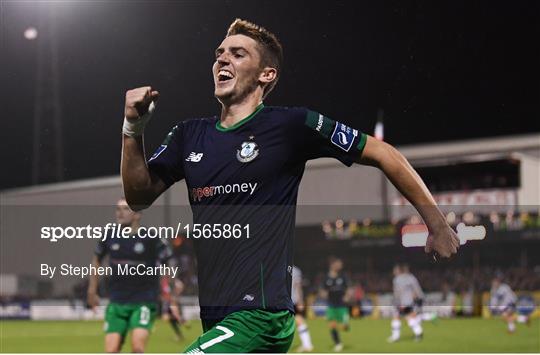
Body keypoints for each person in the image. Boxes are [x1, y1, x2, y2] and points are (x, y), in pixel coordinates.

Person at [120, 18, 459, 353]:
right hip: (216, 314)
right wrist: (133, 128)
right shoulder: (187, 135)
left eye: (238, 54)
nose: (222, 59)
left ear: (267, 74)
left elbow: (384, 153)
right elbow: (137, 196)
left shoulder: (291, 125)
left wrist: (437, 224)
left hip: (261, 317)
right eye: (220, 53)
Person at [87, 198, 175, 353]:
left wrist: (169, 292)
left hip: (144, 302)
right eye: (118, 209)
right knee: (111, 350)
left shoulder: (151, 237)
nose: (120, 213)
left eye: (126, 209)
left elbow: (169, 261)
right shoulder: (109, 236)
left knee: (137, 348)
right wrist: (92, 290)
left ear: (137, 215)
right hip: (116, 302)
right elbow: (96, 260)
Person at [387, 264, 424, 343]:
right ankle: (418, 332)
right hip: (410, 302)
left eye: (395, 270)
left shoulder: (397, 279)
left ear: (400, 270)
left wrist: (397, 302)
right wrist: (420, 298)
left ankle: (396, 336)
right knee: (409, 318)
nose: (394, 272)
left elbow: (397, 293)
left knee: (397, 317)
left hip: (402, 302)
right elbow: (417, 289)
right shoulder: (412, 278)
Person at [321, 258, 351, 352]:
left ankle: (344, 325)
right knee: (332, 324)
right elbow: (322, 290)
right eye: (338, 264)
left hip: (342, 305)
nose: (340, 266)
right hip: (331, 305)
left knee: (345, 327)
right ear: (332, 265)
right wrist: (323, 294)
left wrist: (347, 296)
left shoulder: (343, 276)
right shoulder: (326, 277)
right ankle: (338, 343)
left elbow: (349, 288)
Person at [292, 265, 314, 352]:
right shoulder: (295, 269)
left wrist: (300, 300)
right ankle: (307, 344)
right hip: (285, 300)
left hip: (290, 300)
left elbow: (298, 286)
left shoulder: (295, 270)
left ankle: (307, 344)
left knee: (299, 320)